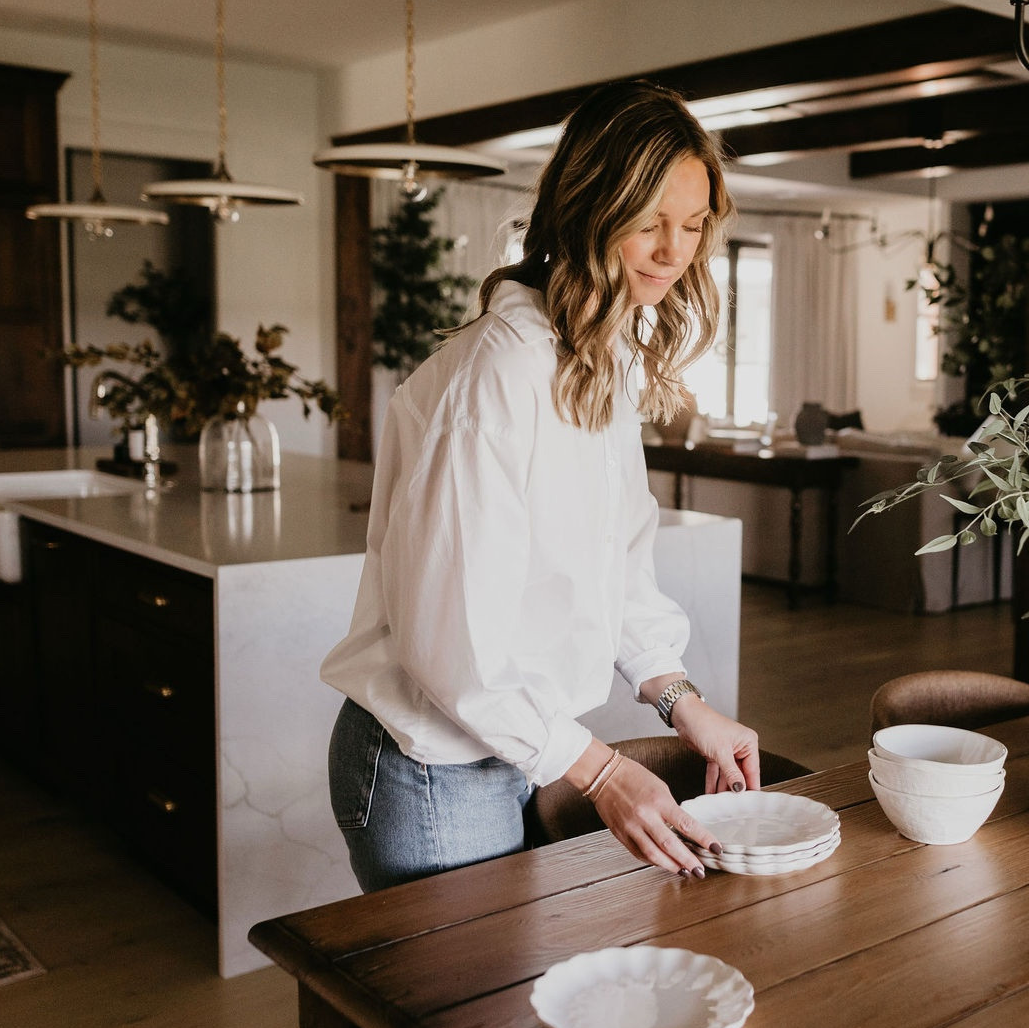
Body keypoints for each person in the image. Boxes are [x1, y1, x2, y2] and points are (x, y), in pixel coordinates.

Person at [320, 80, 762, 892]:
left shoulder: (603, 355)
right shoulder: (501, 372)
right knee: (468, 1017)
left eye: (694, 226)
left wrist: (679, 697)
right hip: (431, 768)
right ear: (589, 208)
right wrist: (601, 774)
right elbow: (452, 647)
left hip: (508, 746)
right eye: (649, 222)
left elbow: (613, 567)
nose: (674, 251)